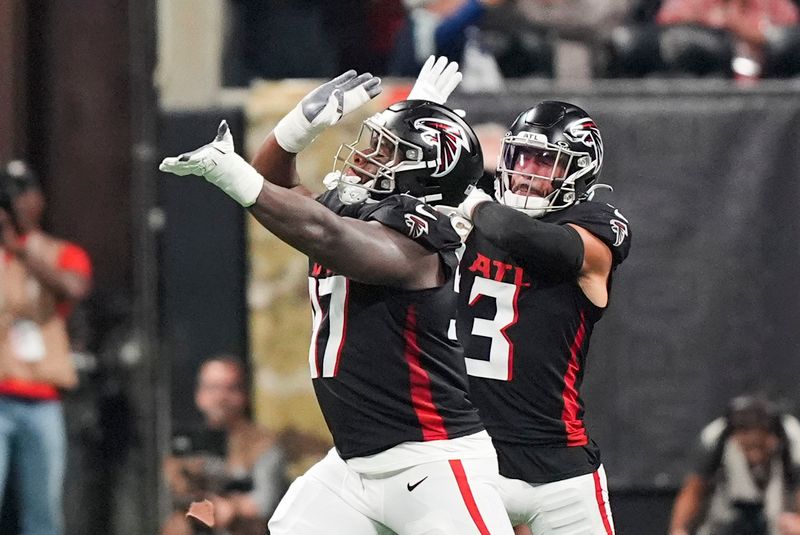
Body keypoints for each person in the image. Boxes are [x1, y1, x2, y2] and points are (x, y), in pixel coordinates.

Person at [159, 59, 516, 534]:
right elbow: (276, 190)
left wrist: (230, 174)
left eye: (387, 151)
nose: (365, 156)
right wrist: (294, 129)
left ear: (421, 176)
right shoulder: (358, 214)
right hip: (353, 466)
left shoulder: (423, 239)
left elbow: (326, 236)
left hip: (433, 462)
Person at [452, 100, 631, 534]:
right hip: (470, 455)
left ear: (580, 170)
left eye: (545, 160)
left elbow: (524, 236)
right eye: (521, 157)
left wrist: (471, 202)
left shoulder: (591, 226)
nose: (528, 171)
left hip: (557, 465)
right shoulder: (480, 218)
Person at [0, 160, 93, 534]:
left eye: (24, 193)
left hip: (42, 397)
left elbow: (74, 289)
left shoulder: (59, 252)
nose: (18, 203)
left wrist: (19, 250)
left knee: (43, 511)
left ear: (38, 199)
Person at [161, 355, 288, 535]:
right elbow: (174, 493)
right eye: (212, 388)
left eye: (230, 388)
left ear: (244, 394)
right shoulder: (186, 443)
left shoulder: (262, 443)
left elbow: (266, 501)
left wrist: (232, 507)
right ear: (200, 394)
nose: (221, 397)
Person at [669, 396, 800, 535]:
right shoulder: (715, 438)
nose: (755, 456)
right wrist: (678, 529)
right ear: (735, 437)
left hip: (780, 512)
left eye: (761, 447)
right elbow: (694, 488)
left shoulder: (794, 439)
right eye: (748, 447)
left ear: (773, 437)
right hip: (725, 511)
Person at [656, 0, 799, 79]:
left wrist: (748, 30)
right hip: (711, 86)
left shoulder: (771, 4)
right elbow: (668, 24)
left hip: (770, 87)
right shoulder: (692, 4)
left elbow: (789, 33)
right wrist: (709, 24)